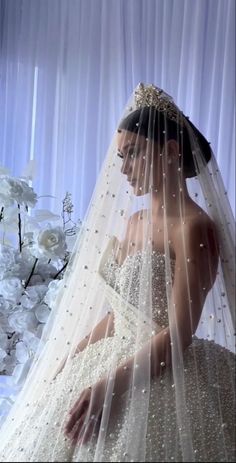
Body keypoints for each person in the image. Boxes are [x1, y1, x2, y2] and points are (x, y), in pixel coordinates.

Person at [0, 83, 235, 462]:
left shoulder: (193, 228)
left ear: (171, 151)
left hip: (162, 374)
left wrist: (111, 385)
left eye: (134, 154)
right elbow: (122, 312)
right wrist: (72, 358)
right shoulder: (135, 221)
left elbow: (178, 334)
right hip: (111, 355)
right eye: (121, 156)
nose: (123, 168)